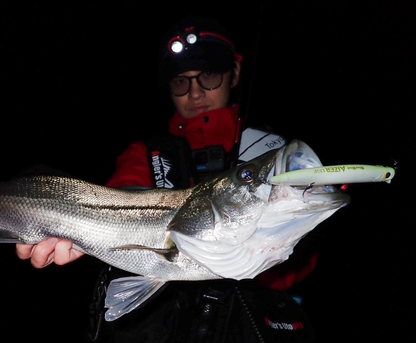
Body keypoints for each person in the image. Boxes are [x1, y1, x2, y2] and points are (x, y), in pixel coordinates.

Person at [17, 16, 316, 342]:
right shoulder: (146, 152)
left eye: (209, 75)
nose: (196, 92)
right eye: (180, 82)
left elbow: (295, 272)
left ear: (236, 73)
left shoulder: (272, 156)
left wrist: (287, 245)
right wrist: (84, 230)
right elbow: (121, 196)